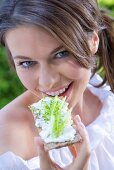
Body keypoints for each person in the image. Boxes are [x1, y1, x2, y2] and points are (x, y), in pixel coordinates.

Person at [0, 0, 114, 169]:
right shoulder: (6, 139)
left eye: (61, 53)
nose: (47, 81)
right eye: (27, 63)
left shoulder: (107, 96)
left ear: (93, 40)